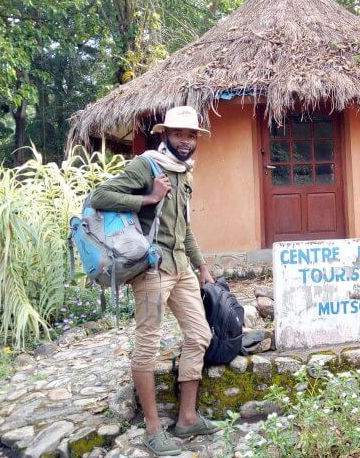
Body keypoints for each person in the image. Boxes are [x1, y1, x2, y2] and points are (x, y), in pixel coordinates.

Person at [89, 106, 219, 456]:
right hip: (151, 270)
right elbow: (99, 196)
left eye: (191, 135)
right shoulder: (145, 166)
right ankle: (152, 428)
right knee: (148, 343)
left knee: (199, 335)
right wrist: (148, 198)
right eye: (179, 134)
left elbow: (184, 226)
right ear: (166, 135)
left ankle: (187, 418)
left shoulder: (185, 173)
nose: (186, 141)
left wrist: (201, 264)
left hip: (180, 268)